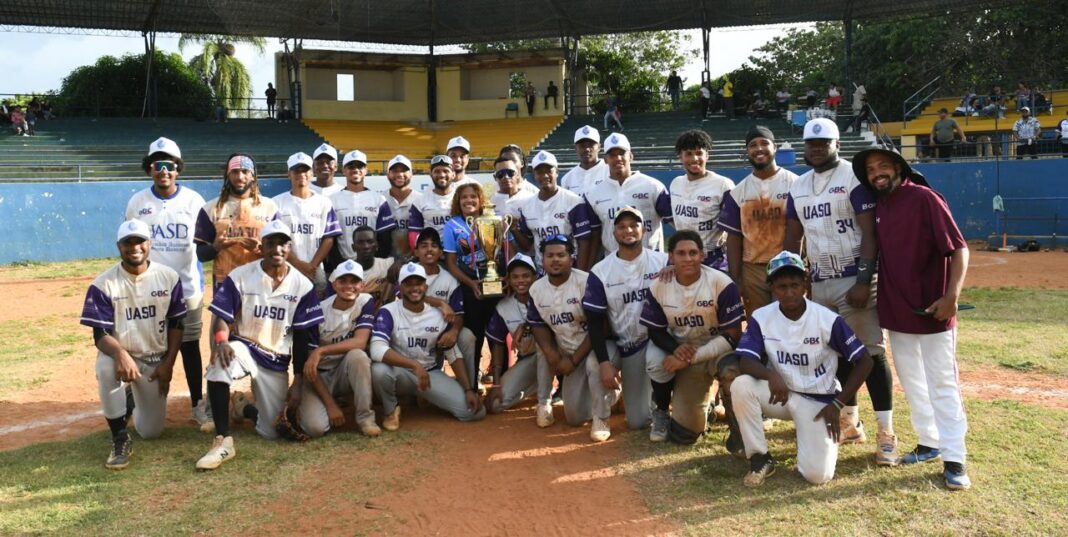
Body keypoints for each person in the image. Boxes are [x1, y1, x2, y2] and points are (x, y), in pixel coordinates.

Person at [852, 145, 972, 490]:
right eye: (871, 170)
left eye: (883, 166)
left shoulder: (925, 198)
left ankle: (955, 457)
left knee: (942, 383)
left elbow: (959, 248)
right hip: (897, 312)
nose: (877, 173)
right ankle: (929, 441)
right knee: (914, 382)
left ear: (899, 167)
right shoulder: (881, 206)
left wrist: (952, 297)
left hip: (933, 310)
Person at [784, 119, 898, 465]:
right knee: (837, 352)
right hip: (819, 281)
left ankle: (886, 433)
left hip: (853, 277)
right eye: (811, 144)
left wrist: (864, 280)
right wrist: (792, 279)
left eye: (824, 143)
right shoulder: (799, 186)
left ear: (837, 144)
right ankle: (850, 419)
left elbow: (870, 234)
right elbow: (793, 238)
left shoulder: (853, 178)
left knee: (871, 353)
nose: (817, 149)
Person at [730, 250, 874, 486]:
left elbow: (865, 360)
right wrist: (770, 375)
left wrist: (837, 404)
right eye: (782, 286)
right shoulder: (761, 317)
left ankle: (809, 437)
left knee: (818, 476)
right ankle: (760, 458)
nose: (789, 292)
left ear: (805, 284)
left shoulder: (826, 319)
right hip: (780, 395)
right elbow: (746, 361)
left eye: (795, 285)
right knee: (741, 385)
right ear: (772, 288)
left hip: (818, 402)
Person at [197, 220, 324, 470]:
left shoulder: (302, 286)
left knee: (271, 431)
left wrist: (297, 381)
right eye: (271, 243)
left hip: (275, 360)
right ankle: (223, 440)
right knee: (219, 365)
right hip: (244, 345)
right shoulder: (241, 276)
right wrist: (221, 342)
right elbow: (222, 317)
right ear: (262, 246)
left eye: (282, 244)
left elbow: (300, 338)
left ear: (289, 248)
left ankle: (245, 408)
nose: (277, 249)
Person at [80, 220, 187, 470]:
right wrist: (120, 354)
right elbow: (100, 335)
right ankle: (119, 437)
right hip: (120, 354)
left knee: (151, 432)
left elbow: (177, 325)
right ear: (119, 246)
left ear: (149, 244)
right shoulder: (103, 284)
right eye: (128, 242)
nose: (134, 247)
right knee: (107, 368)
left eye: (139, 241)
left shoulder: (168, 278)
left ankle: (131, 400)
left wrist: (168, 364)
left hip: (153, 358)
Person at [125, 137, 211, 431]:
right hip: (148, 290)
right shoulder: (138, 203)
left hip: (187, 289)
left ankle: (197, 403)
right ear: (149, 168)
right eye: (157, 164)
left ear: (178, 169)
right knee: (143, 346)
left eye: (170, 165)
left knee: (189, 347)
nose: (164, 170)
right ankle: (132, 401)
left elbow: (203, 245)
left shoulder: (194, 201)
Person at [641, 230, 744, 444]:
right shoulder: (659, 285)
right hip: (685, 349)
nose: (688, 258)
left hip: (718, 349)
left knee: (732, 372)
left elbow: (734, 334)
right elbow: (655, 329)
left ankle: (741, 435)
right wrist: (674, 348)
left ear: (702, 255)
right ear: (671, 257)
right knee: (684, 434)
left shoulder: (721, 283)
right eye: (681, 253)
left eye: (693, 253)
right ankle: (706, 410)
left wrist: (687, 358)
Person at [370, 263, 486, 428]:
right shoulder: (388, 311)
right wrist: (414, 365)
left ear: (425, 286)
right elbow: (377, 350)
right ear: (400, 288)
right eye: (408, 284)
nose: (414, 288)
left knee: (474, 412)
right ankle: (391, 410)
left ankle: (425, 395)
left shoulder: (438, 315)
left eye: (418, 283)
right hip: (399, 372)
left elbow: (453, 353)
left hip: (429, 373)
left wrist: (468, 389)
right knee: (379, 371)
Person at [583, 207, 668, 431]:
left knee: (638, 421)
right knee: (593, 363)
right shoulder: (601, 271)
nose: (628, 230)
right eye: (621, 226)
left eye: (634, 225)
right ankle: (600, 418)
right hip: (618, 341)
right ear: (614, 233)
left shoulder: (663, 262)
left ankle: (660, 403)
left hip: (649, 342)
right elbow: (594, 322)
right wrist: (604, 363)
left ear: (644, 229)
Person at [528, 236, 615, 441]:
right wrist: (552, 355)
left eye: (561, 255)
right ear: (542, 259)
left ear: (571, 258)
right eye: (550, 255)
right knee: (575, 418)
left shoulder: (586, 282)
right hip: (568, 351)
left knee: (595, 365)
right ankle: (546, 403)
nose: (555, 260)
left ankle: (602, 418)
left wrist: (574, 360)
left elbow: (600, 327)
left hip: (597, 347)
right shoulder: (536, 289)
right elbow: (538, 325)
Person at [719, 126, 799, 316]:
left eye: (764, 143)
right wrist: (736, 279)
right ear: (747, 151)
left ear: (775, 147)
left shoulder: (796, 184)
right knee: (760, 323)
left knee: (791, 319)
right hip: (753, 269)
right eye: (753, 145)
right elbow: (733, 238)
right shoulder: (738, 192)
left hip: (788, 263)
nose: (759, 148)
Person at [300, 260, 380, 437]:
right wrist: (331, 405)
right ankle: (312, 402)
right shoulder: (318, 311)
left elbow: (360, 341)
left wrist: (320, 351)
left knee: (358, 356)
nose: (349, 286)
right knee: (315, 428)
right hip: (317, 376)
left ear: (363, 285)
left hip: (343, 372)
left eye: (354, 281)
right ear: (333, 283)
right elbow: (310, 367)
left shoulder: (366, 301)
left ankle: (365, 418)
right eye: (343, 281)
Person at [442, 182, 506, 386]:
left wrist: (507, 277)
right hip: (470, 288)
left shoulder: (493, 220)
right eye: (464, 198)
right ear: (458, 202)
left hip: (496, 284)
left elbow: (506, 250)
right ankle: (474, 376)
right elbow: (451, 264)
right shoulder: (452, 225)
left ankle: (501, 376)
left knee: (497, 331)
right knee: (475, 333)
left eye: (473, 197)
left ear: (481, 200)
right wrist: (471, 283)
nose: (468, 201)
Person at [194, 153, 279, 290]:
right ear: (228, 175)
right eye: (234, 172)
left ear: (253, 176)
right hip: (225, 282)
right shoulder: (210, 209)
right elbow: (201, 255)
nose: (240, 177)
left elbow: (280, 251)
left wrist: (260, 249)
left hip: (261, 281)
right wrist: (216, 247)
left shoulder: (270, 207)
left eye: (245, 172)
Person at [584, 133, 673, 255]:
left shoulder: (652, 186)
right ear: (605, 159)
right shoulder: (594, 194)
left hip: (652, 263)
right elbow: (594, 235)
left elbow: (676, 222)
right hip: (615, 264)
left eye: (622, 153)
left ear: (631, 156)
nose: (618, 158)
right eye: (612, 155)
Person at [273, 153, 342, 298]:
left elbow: (329, 238)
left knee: (317, 313)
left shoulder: (324, 203)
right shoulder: (277, 203)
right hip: (285, 269)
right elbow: (276, 241)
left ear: (312, 173)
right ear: (289, 174)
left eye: (305, 170)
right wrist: (299, 264)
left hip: (315, 270)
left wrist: (312, 265)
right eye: (296, 170)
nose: (301, 174)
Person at [483, 254, 545, 412]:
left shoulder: (546, 297)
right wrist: (496, 383)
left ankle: (556, 387)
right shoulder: (504, 307)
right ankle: (536, 383)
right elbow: (498, 345)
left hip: (553, 356)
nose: (521, 281)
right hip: (529, 359)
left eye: (526, 276)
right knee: (495, 405)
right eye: (515, 277)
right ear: (508, 280)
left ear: (535, 277)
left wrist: (526, 325)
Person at [515, 150, 594, 271]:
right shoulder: (527, 206)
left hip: (570, 269)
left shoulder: (574, 201)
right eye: (539, 172)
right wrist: (514, 229)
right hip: (542, 271)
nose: (545, 176)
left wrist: (580, 273)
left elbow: (584, 242)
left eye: (548, 171)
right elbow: (527, 244)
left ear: (557, 172)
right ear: (534, 175)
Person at [412, 227, 478, 370]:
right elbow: (406, 298)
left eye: (434, 246)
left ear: (441, 253)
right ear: (416, 252)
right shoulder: (408, 272)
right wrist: (440, 303)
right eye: (424, 246)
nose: (429, 250)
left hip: (442, 329)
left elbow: (459, 313)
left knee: (467, 337)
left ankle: (470, 386)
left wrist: (453, 331)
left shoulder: (449, 279)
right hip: (412, 328)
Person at [669, 130, 734, 269]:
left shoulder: (723, 185)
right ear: (680, 157)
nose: (694, 159)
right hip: (683, 258)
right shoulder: (676, 184)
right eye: (688, 154)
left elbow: (733, 227)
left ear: (707, 155)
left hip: (713, 259)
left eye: (699, 153)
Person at [330, 149, 396, 268]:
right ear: (343, 170)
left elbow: (385, 238)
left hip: (373, 266)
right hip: (342, 264)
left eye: (360, 166)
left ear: (366, 170)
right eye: (351, 166)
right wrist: (339, 265)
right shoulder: (332, 200)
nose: (355, 169)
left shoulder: (378, 199)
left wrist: (375, 264)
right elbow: (331, 239)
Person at [409, 155, 458, 245]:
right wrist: (420, 252)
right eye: (437, 171)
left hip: (458, 252)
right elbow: (414, 233)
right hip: (432, 253)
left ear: (453, 174)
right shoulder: (420, 201)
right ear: (430, 174)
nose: (442, 175)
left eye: (446, 171)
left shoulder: (461, 198)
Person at [385, 154, 423, 258]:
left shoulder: (421, 200)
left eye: (404, 170)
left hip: (416, 259)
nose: (400, 174)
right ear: (388, 174)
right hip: (386, 260)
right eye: (395, 171)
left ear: (411, 174)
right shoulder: (380, 200)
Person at [351, 225, 396, 308]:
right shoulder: (344, 271)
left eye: (370, 241)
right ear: (353, 247)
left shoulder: (389, 265)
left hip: (384, 317)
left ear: (376, 245)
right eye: (360, 242)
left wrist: (400, 262)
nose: (366, 246)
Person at [559, 125, 609, 201]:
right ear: (575, 148)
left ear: (599, 147)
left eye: (591, 145)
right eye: (582, 145)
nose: (587, 149)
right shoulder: (567, 179)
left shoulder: (610, 172)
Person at [489, 155, 538, 220]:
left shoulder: (531, 198)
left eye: (510, 173)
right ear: (495, 178)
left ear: (517, 175)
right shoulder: (490, 201)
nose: (506, 177)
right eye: (500, 174)